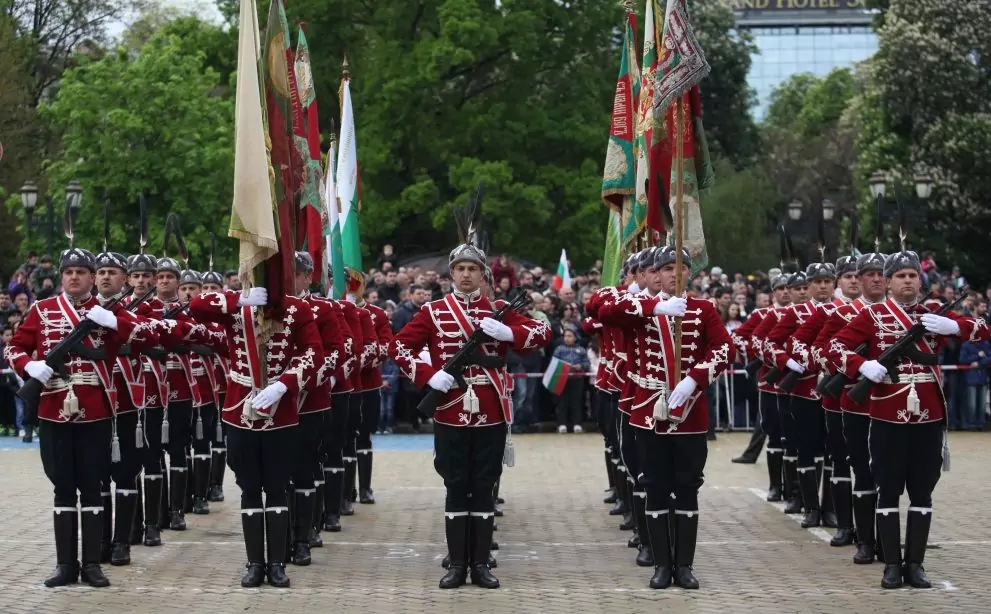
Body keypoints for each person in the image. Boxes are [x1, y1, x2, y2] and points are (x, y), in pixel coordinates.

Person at [389, 220, 550, 590]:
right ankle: (457, 564)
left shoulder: (499, 309)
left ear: (482, 274)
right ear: (451, 274)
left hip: (491, 409)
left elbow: (544, 332)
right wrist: (429, 375)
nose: (465, 275)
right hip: (450, 409)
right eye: (460, 269)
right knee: (455, 485)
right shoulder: (434, 311)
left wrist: (510, 332)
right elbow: (398, 347)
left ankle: (480, 564)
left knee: (484, 486)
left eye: (472, 269)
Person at [829, 250, 989, 589]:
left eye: (912, 276)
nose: (907, 281)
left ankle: (915, 563)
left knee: (922, 491)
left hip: (929, 415)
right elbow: (835, 348)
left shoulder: (933, 315)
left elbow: (982, 330)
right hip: (887, 413)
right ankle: (890, 564)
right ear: (887, 282)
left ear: (921, 280)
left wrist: (954, 326)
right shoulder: (872, 315)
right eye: (900, 276)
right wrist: (863, 367)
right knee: (888, 489)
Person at [599, 246, 734, 590]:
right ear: (653, 274)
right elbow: (602, 310)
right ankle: (661, 564)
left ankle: (684, 565)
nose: (673, 274)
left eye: (681, 268)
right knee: (655, 486)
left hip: (689, 412)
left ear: (690, 273)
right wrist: (655, 305)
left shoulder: (703, 310)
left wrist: (695, 379)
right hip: (648, 411)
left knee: (687, 487)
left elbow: (724, 348)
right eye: (664, 269)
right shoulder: (640, 310)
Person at [4, 247, 140, 588]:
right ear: (62, 277)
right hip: (53, 407)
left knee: (93, 487)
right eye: (69, 272)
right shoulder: (42, 309)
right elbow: (14, 347)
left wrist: (113, 321)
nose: (75, 277)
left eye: (81, 271)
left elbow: (139, 334)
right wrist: (29, 365)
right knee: (63, 488)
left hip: (94, 410)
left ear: (92, 277)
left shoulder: (107, 309)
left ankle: (92, 564)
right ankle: (66, 565)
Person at [189, 283, 323, 588]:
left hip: (281, 410)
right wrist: (239, 298)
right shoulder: (238, 305)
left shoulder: (296, 308)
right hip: (240, 407)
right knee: (249, 487)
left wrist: (285, 383)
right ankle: (254, 563)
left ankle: (277, 564)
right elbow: (196, 306)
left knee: (276, 487)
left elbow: (314, 352)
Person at [763, 262, 838, 529]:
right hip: (804, 389)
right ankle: (810, 506)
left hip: (833, 392)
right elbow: (768, 343)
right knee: (805, 448)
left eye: (827, 281)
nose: (821, 286)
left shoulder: (843, 310)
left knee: (832, 451)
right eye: (816, 282)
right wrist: (788, 362)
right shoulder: (795, 313)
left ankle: (830, 507)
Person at [289, 253, 344, 565]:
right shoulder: (271, 307)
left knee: (307, 466)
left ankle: (305, 533)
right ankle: (283, 534)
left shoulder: (322, 308)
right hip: (276, 401)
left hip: (311, 399)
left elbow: (336, 349)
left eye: (298, 273)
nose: (293, 278)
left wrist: (310, 378)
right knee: (279, 470)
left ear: (308, 276)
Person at [353, 277, 393, 505]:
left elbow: (387, 344)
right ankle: (344, 490)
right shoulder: (334, 310)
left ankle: (365, 487)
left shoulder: (376, 314)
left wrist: (364, 359)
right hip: (341, 386)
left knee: (365, 436)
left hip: (367, 384)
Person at [552, 326, 590, 434]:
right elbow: (554, 363)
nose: (567, 338)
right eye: (565, 336)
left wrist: (580, 366)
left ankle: (577, 424)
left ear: (575, 337)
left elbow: (586, 364)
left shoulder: (581, 350)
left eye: (570, 336)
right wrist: (563, 366)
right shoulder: (559, 349)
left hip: (577, 379)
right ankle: (562, 424)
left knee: (576, 402)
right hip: (562, 379)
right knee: (562, 402)